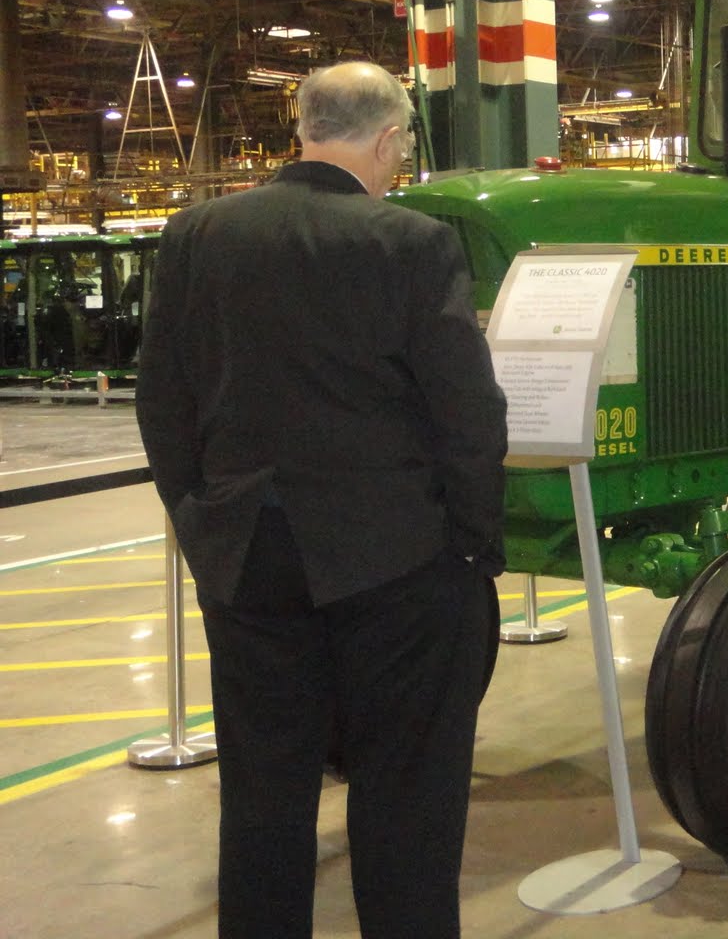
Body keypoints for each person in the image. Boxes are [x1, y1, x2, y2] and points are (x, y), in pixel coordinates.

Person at [136, 60, 508, 939]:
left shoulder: (197, 234)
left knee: (263, 793)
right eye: (403, 148)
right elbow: (467, 411)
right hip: (395, 561)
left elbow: (163, 400)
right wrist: (470, 545)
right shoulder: (409, 243)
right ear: (386, 139)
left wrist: (201, 519)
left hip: (248, 559)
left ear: (303, 127)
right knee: (406, 794)